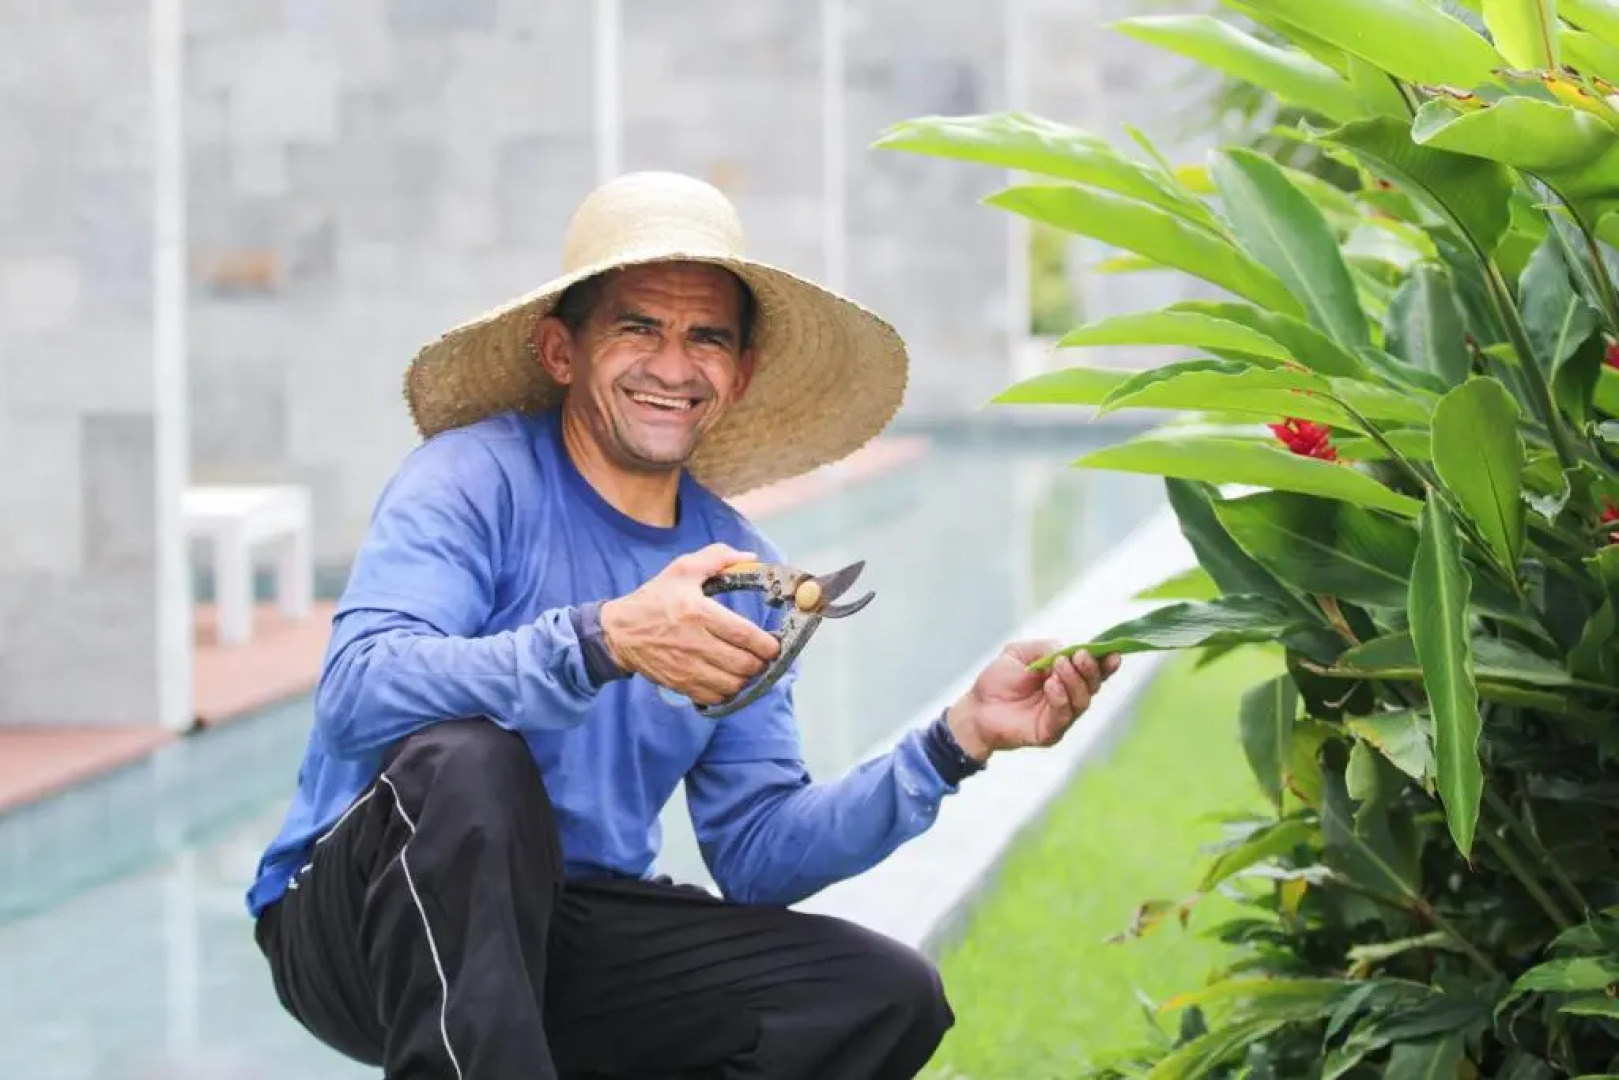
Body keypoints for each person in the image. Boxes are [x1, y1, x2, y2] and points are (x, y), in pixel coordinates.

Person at [248, 171, 1121, 1080]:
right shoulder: (469, 478)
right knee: (468, 760)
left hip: (570, 925)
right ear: (561, 351)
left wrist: (955, 741)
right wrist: (601, 642)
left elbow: (758, 854)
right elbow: (357, 693)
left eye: (706, 338)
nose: (673, 365)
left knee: (878, 995)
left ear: (737, 375)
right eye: (637, 327)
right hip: (356, 919)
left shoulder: (738, 566)